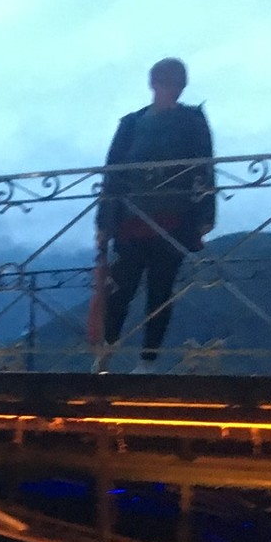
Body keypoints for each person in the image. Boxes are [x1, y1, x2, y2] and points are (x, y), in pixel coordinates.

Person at [96, 58, 216, 370]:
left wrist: (205, 215)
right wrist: (104, 222)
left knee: (160, 291)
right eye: (168, 84)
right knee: (121, 288)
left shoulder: (192, 121)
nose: (172, 91)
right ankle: (106, 352)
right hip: (131, 219)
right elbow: (113, 175)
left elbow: (203, 168)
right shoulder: (131, 124)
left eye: (177, 85)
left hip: (174, 220)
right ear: (154, 84)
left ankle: (147, 360)